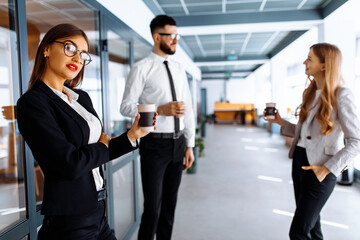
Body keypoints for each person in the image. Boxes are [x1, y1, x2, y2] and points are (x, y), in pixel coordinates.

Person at [17, 23, 155, 240]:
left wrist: (132, 136)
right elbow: (69, 163)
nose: (77, 59)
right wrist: (101, 145)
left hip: (98, 208)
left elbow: (97, 152)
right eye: (70, 48)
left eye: (83, 54)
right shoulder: (33, 104)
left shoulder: (81, 98)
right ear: (46, 48)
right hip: (71, 219)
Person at [264, 43, 360, 239]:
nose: (304, 62)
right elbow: (303, 134)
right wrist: (280, 121)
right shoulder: (310, 93)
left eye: (309, 59)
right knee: (313, 227)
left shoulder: (342, 95)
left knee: (298, 232)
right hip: (299, 161)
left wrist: (327, 168)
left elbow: (355, 141)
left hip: (322, 169)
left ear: (324, 65)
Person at [120, 15, 195, 240]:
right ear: (156, 37)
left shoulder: (179, 68)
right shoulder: (142, 68)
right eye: (171, 35)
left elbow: (188, 108)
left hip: (178, 142)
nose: (175, 40)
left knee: (169, 207)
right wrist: (160, 110)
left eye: (176, 35)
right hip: (155, 145)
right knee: (152, 209)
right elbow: (125, 107)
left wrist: (189, 145)